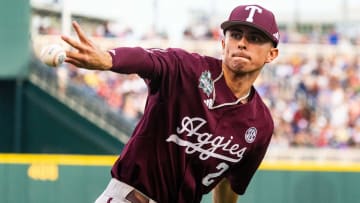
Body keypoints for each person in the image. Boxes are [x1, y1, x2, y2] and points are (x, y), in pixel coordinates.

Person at [61, 4, 279, 203]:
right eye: (236, 35)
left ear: (272, 54)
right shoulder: (187, 69)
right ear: (223, 43)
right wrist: (110, 59)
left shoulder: (260, 124)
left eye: (254, 38)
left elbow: (230, 181)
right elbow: (147, 60)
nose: (242, 43)